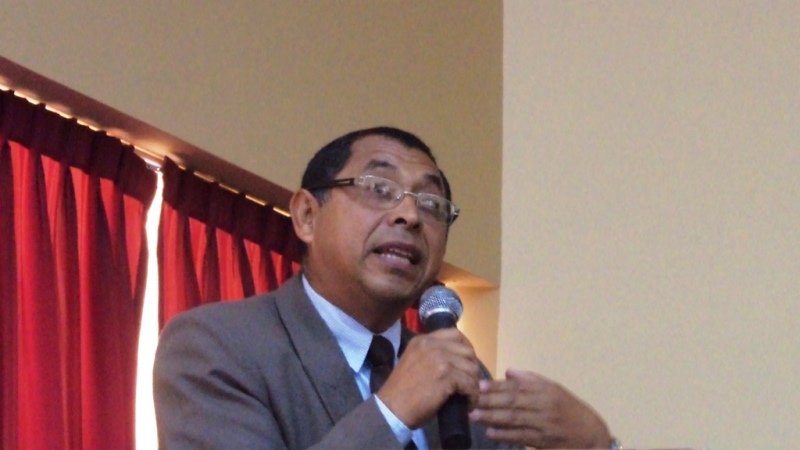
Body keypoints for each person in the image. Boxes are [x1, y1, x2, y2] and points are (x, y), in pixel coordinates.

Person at [153, 126, 613, 449]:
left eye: (431, 203)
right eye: (379, 188)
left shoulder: (464, 379)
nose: (410, 216)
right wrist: (392, 412)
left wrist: (595, 443)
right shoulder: (217, 346)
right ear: (307, 216)